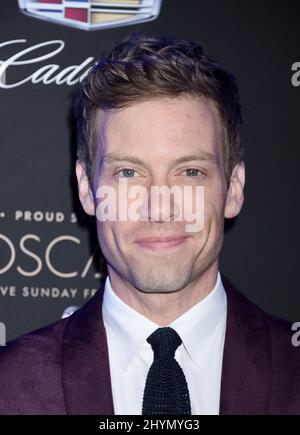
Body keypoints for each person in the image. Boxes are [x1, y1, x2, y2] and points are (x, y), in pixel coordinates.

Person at [0, 32, 299, 415]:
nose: (159, 207)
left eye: (190, 171)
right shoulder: (9, 387)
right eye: (129, 173)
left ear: (234, 189)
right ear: (88, 190)